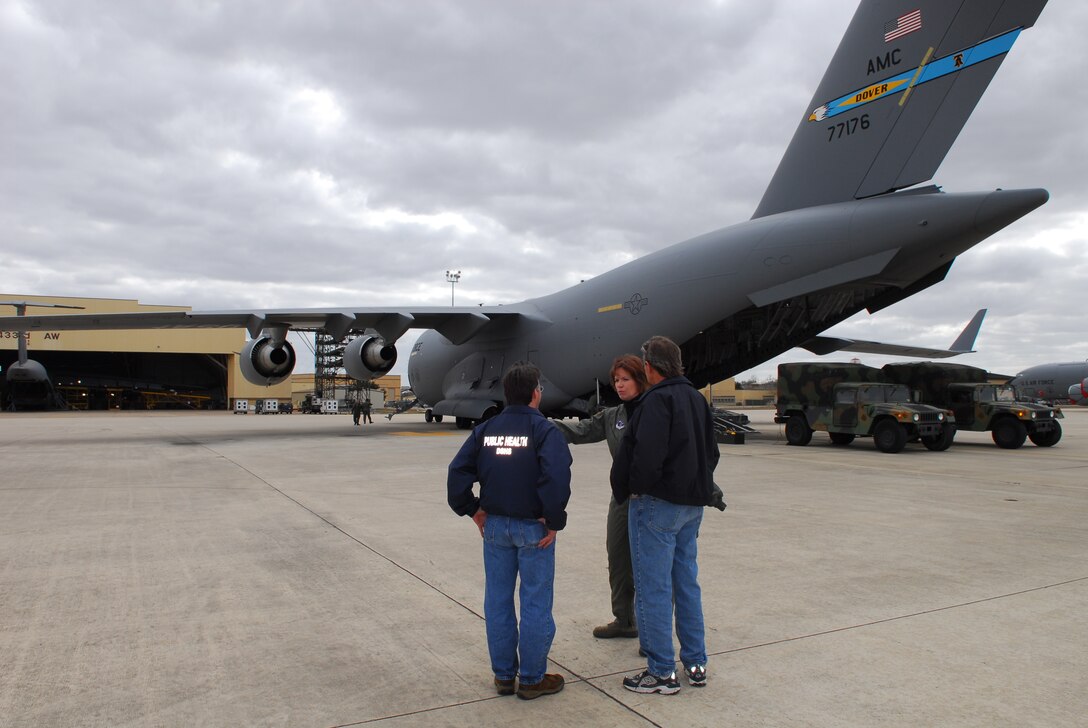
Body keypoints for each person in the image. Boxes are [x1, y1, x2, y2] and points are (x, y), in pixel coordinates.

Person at [448, 362, 573, 700]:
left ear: (507, 395)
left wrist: (472, 509)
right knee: (535, 602)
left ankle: (504, 676)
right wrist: (553, 519)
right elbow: (557, 476)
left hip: (495, 528)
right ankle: (532, 679)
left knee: (498, 601)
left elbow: (457, 472)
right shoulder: (545, 431)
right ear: (536, 393)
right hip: (534, 528)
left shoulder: (486, 430)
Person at [611, 336, 720, 695]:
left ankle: (661, 672)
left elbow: (647, 456)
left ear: (649, 366)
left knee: (653, 588)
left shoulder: (657, 400)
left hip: (656, 506)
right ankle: (695, 662)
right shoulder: (695, 398)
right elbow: (711, 453)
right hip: (691, 507)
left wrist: (636, 488)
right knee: (686, 584)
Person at [552, 355, 646, 640]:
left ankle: (653, 628)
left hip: (652, 499)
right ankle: (624, 619)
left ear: (641, 380)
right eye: (616, 380)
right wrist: (539, 425)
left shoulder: (655, 410)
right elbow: (581, 430)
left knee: (650, 565)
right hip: (621, 499)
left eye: (625, 379)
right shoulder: (613, 416)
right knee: (618, 558)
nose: (619, 385)